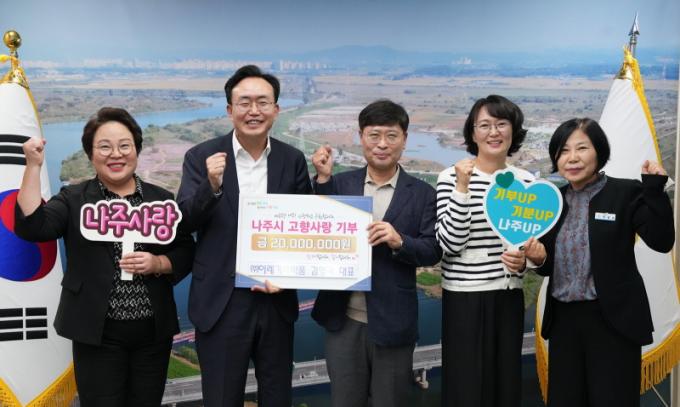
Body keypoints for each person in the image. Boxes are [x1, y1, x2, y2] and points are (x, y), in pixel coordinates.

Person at [14, 107, 195, 407]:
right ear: (90, 154)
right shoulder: (74, 199)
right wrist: (33, 166)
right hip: (95, 331)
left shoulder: (161, 200)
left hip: (153, 333)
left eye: (125, 145)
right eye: (104, 147)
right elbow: (32, 226)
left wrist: (159, 263)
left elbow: (186, 249)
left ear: (137, 150)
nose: (116, 154)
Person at [177, 65, 312, 407]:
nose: (254, 111)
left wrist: (287, 276)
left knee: (277, 396)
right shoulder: (201, 157)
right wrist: (211, 186)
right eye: (245, 102)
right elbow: (184, 221)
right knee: (221, 398)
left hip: (275, 299)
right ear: (229, 110)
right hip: (221, 302)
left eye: (263, 102)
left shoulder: (292, 159)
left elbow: (305, 227)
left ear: (276, 109)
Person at [311, 99, 442, 407]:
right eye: (374, 135)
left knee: (390, 401)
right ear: (361, 137)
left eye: (391, 135)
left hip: (394, 322)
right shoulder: (340, 183)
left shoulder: (423, 194)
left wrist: (400, 241)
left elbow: (432, 250)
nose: (382, 144)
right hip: (342, 319)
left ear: (404, 139)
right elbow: (318, 229)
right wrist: (323, 180)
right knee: (344, 401)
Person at [537, 118, 674, 407]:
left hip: (613, 322)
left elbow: (661, 241)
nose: (572, 158)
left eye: (581, 148)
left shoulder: (626, 192)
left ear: (599, 151)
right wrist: (537, 260)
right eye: (563, 150)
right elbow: (548, 264)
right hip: (564, 323)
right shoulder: (552, 201)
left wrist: (654, 190)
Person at [436, 95, 545, 407]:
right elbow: (450, 243)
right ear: (472, 133)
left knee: (505, 384)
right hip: (464, 297)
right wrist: (462, 188)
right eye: (484, 125)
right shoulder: (450, 177)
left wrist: (523, 261)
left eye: (501, 124)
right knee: (466, 387)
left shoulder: (525, 181)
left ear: (514, 130)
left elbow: (526, 246)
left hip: (508, 296)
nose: (493, 132)